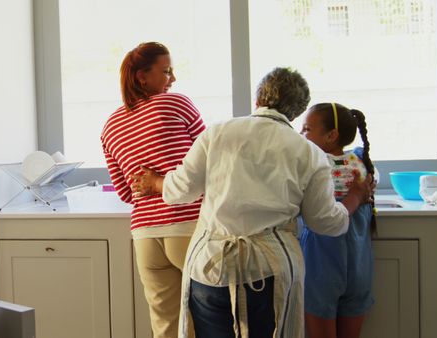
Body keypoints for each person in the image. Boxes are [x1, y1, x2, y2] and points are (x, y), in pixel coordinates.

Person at [131, 67, 374, 338]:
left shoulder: (217, 133)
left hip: (211, 267)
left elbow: (181, 190)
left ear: (257, 100)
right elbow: (326, 222)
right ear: (294, 114)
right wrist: (353, 198)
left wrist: (155, 182)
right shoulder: (308, 152)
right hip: (269, 271)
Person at [100, 42, 205, 338]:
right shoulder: (176, 104)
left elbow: (124, 192)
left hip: (145, 234)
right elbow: (211, 159)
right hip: (188, 225)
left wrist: (150, 182)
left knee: (165, 324)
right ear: (142, 77)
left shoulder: (109, 127)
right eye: (166, 71)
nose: (173, 79)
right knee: (208, 317)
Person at [299, 103, 376, 338]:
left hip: (319, 267)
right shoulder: (361, 164)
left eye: (306, 129)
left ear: (331, 136)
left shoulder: (312, 165)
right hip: (358, 267)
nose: (301, 135)